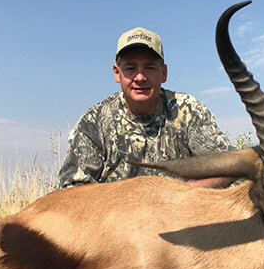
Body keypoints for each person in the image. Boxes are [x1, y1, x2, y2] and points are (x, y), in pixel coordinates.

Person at [58, 26, 233, 189]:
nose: (140, 77)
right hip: (115, 218)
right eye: (130, 68)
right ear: (117, 73)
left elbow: (230, 165)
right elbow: (70, 191)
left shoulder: (187, 111)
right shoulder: (94, 122)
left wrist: (183, 195)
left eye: (149, 67)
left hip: (181, 214)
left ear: (163, 73)